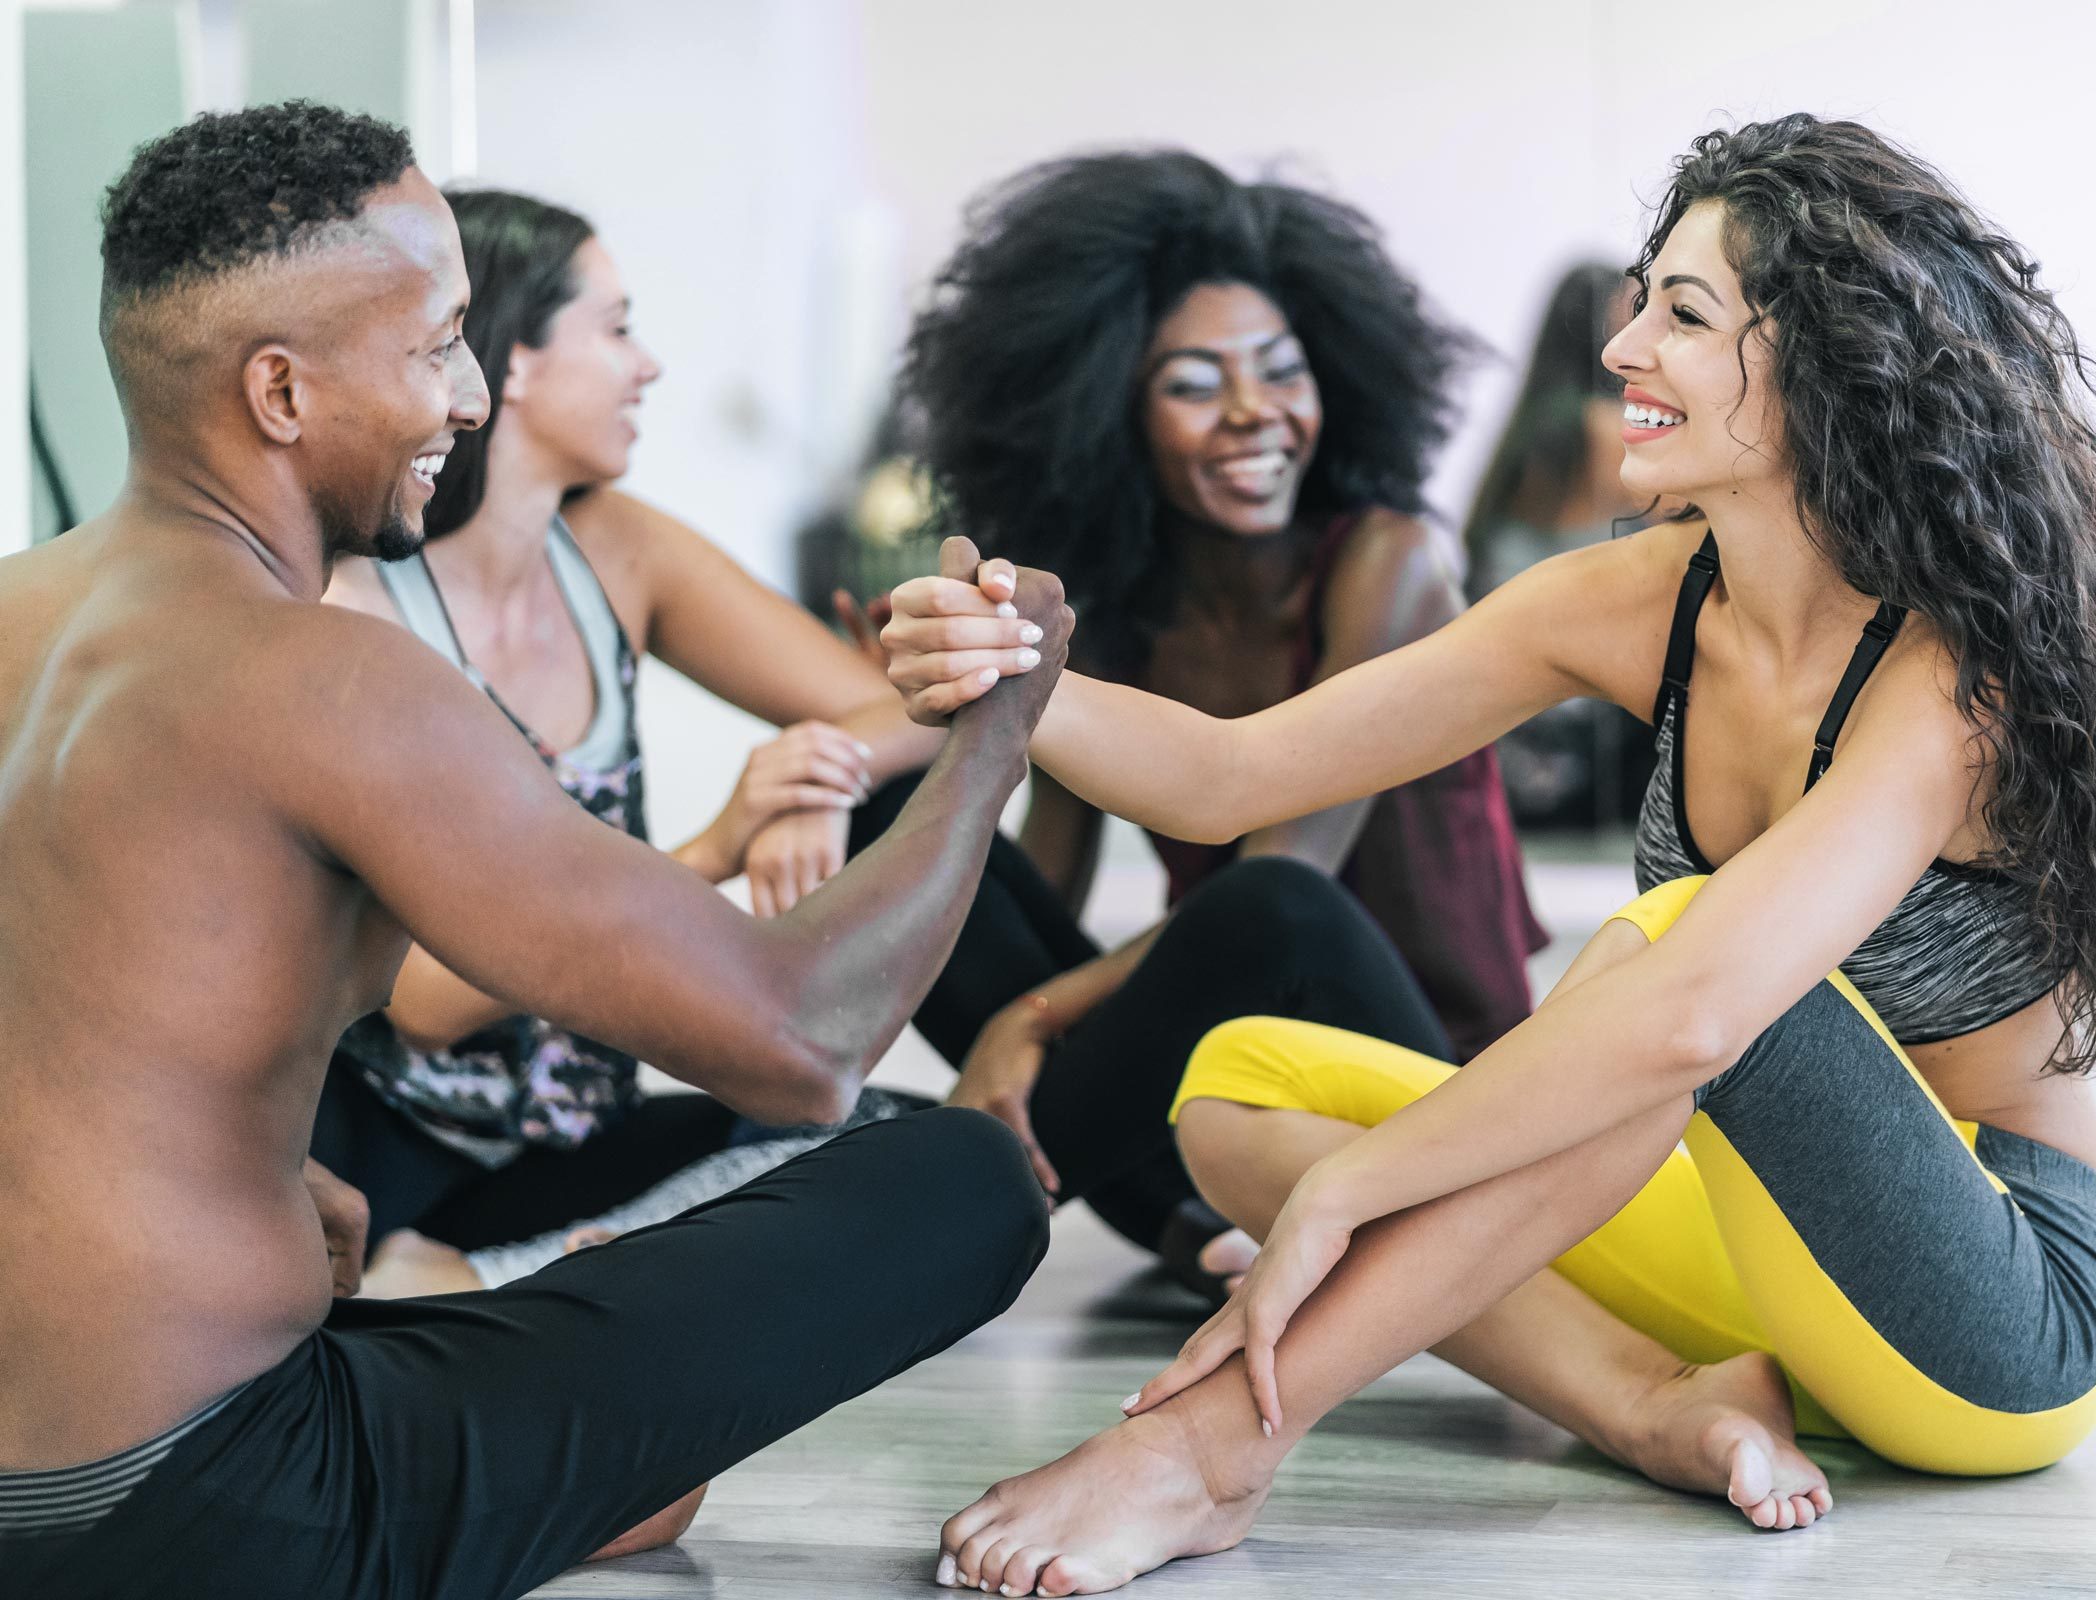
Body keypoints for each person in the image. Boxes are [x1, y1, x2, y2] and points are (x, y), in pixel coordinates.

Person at [883, 114, 2096, 1596]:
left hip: (1990, 1312)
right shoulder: (1636, 599)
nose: (1620, 350)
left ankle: (1208, 1452)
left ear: (1827, 360)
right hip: (1759, 1256)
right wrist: (1021, 680)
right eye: (1637, 302)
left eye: (1683, 311)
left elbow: (1701, 1014)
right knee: (1238, 1093)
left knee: (1677, 959)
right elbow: (1236, 774)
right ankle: (1666, 1404)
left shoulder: (1944, 684)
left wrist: (1362, 1194)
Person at [0, 103, 1058, 1600]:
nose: (472, 399)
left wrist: (275, 1174)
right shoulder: (328, 683)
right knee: (957, 1175)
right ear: (282, 392)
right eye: (436, 347)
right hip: (198, 1509)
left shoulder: (18, 618)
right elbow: (802, 1042)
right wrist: (1000, 730)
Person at [871, 151, 1549, 1293]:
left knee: (1266, 904)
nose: (1254, 413)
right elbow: (1041, 879)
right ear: (1107, 415)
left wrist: (1030, 1023)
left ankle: (914, 1222)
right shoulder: (1117, 612)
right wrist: (936, 744)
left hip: (1429, 1071)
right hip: (1217, 1079)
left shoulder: (1388, 567)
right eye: (1194, 383)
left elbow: (1289, 882)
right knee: (899, 826)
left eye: (1282, 372)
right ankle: (1176, 1216)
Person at [307, 186, 950, 1273]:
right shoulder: (354, 609)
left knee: (911, 1144)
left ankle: (479, 1275)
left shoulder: (617, 550)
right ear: (509, 359)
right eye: (616, 329)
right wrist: (717, 846)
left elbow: (908, 712)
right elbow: (421, 1001)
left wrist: (814, 776)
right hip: (385, 1136)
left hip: (567, 1137)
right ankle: (454, 1269)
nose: (647, 366)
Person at [1459, 259, 1663, 829]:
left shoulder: (1531, 428)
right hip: (1564, 740)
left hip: (1509, 725)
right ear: (1597, 323)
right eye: (1639, 307)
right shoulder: (1600, 430)